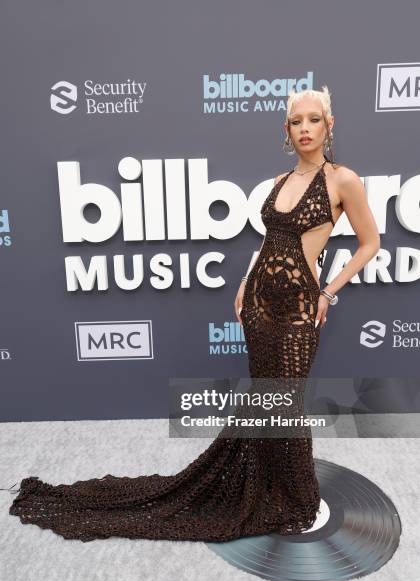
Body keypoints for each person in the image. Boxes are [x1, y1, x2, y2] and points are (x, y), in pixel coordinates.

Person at [7, 86, 380, 543]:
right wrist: (246, 282)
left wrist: (329, 291)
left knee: (287, 402)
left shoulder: (343, 180)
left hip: (299, 307)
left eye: (313, 120)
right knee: (268, 399)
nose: (305, 129)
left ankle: (299, 498)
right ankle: (273, 484)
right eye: (296, 121)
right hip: (260, 305)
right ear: (286, 130)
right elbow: (270, 243)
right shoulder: (280, 182)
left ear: (329, 124)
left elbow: (370, 244)